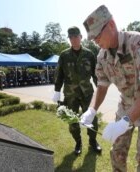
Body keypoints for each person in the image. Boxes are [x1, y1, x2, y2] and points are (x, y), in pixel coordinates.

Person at [81, 5, 140, 171]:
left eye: (97, 35)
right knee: (117, 151)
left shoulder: (137, 42)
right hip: (126, 105)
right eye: (93, 38)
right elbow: (101, 85)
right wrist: (91, 110)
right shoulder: (102, 56)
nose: (96, 41)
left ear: (111, 25)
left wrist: (126, 121)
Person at [52, 26, 102, 155]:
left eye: (76, 37)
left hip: (87, 93)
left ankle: (92, 141)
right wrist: (57, 90)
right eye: (71, 37)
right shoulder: (64, 55)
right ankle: (78, 142)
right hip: (71, 94)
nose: (74, 39)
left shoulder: (89, 54)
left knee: (92, 119)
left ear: (81, 37)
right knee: (72, 121)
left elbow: (95, 74)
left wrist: (100, 88)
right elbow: (59, 74)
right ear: (69, 39)